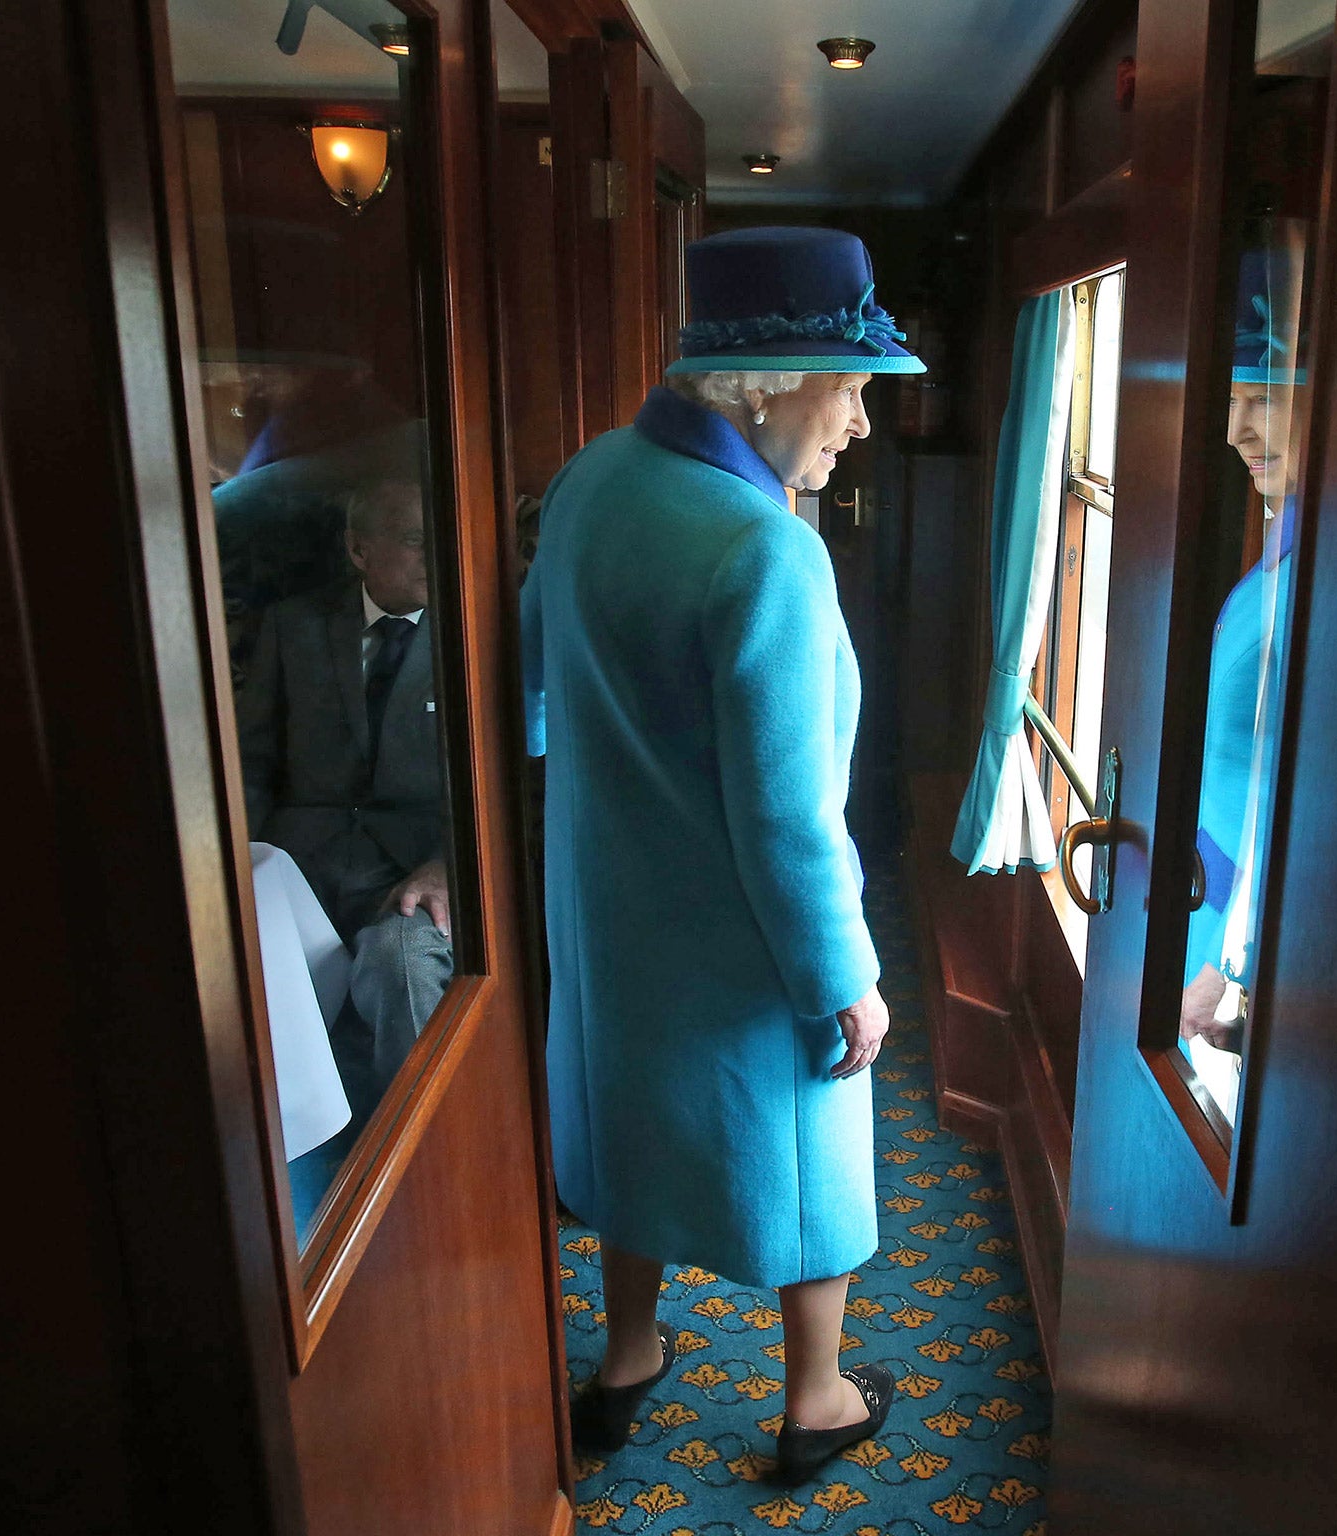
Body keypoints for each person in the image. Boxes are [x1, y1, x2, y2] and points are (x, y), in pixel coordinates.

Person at [518, 226, 926, 1483]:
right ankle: (815, 1402)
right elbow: (790, 815)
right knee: (813, 1156)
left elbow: (535, 674)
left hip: (605, 909)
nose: (859, 422)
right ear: (763, 385)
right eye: (848, 385)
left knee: (628, 1131)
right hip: (741, 938)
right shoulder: (767, 550)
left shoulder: (594, 477)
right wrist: (839, 980)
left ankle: (626, 1358)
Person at [236, 477, 454, 1107]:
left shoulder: (477, 626)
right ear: (359, 550)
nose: (433, 554)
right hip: (295, 867)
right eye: (415, 540)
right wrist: (232, 863)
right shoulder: (293, 626)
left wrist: (453, 865)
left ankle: (421, 1151)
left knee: (402, 965)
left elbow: (516, 781)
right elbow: (253, 758)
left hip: (414, 874)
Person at [1180, 245, 1307, 1057]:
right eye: (1231, 399)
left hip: (1243, 929)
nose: (1236, 431)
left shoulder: (1328, 581)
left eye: (1263, 397)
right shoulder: (1283, 549)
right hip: (1210, 896)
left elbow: (1295, 792)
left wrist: (1234, 965)